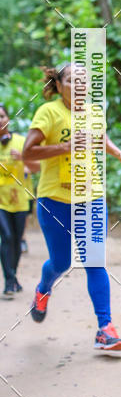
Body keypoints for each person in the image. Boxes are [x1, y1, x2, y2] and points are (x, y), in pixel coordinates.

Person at [23, 63, 121, 350]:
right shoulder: (48, 112)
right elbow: (27, 153)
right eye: (72, 81)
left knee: (94, 261)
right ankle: (43, 290)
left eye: (85, 81)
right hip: (54, 199)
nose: (80, 86)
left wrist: (118, 152)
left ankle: (105, 328)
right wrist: (64, 147)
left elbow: (99, 138)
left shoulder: (94, 112)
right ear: (59, 85)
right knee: (61, 262)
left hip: (91, 196)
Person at [0, 104, 39, 297]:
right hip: (0, 200)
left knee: (16, 239)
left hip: (21, 199)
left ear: (8, 118)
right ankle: (8, 281)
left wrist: (23, 158)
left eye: (1, 116)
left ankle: (12, 276)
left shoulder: (22, 142)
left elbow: (37, 167)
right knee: (6, 237)